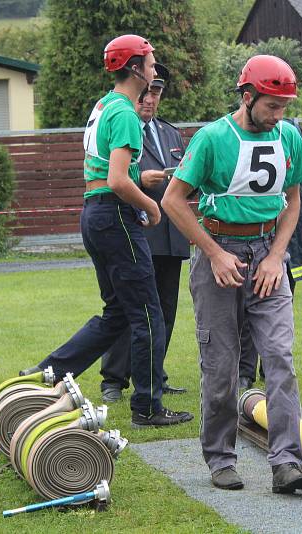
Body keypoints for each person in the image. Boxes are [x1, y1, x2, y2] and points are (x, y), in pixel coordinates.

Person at [18, 34, 193, 428]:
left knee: (116, 313)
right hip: (113, 214)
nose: (153, 70)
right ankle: (147, 408)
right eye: (150, 63)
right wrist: (150, 206)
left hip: (94, 214)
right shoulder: (126, 113)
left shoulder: (103, 105)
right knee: (149, 314)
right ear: (135, 69)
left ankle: (46, 375)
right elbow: (118, 179)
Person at [162, 55, 302, 494]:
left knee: (280, 358)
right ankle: (221, 458)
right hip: (220, 254)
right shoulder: (212, 138)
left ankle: (287, 462)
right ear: (247, 98)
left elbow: (294, 200)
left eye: (285, 106)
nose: (279, 116)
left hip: (269, 255)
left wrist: (276, 257)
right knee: (222, 365)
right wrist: (212, 253)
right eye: (272, 106)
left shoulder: (288, 136)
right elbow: (174, 200)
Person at [98, 64, 189, 402]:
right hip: (136, 228)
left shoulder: (170, 133)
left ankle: (154, 375)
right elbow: (110, 179)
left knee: (165, 310)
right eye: (148, 91)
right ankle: (113, 380)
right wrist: (140, 180)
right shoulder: (121, 124)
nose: (151, 99)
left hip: (171, 233)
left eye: (157, 93)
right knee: (131, 308)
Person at [238, 119, 302, 390]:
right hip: (258, 233)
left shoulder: (292, 133)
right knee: (251, 305)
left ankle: (262, 370)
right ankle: (247, 371)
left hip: (283, 234)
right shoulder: (241, 131)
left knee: (274, 308)